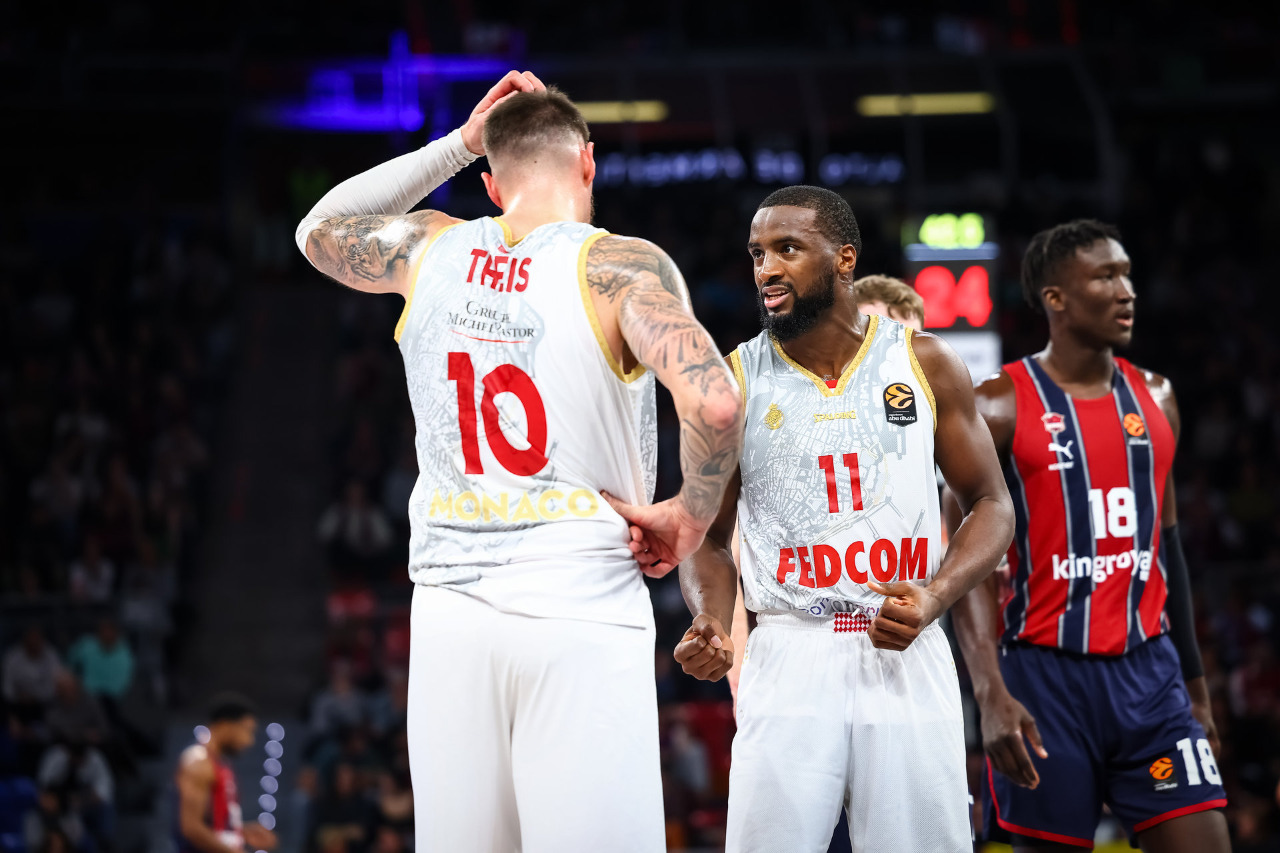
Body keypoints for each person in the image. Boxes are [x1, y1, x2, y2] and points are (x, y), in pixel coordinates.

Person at [295, 71, 742, 851]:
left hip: (449, 616)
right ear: (588, 162)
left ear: (492, 184)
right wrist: (688, 516)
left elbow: (318, 229)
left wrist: (456, 145)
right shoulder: (620, 267)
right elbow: (716, 403)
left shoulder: (429, 247)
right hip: (580, 600)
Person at [622, 185, 1014, 852]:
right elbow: (708, 536)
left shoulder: (924, 362)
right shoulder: (733, 381)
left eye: (787, 249)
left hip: (905, 645)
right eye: (757, 254)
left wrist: (936, 595)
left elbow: (992, 503)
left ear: (844, 258)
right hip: (790, 652)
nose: (767, 269)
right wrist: (711, 617)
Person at [946, 219, 1229, 851]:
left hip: (1151, 677)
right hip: (1043, 682)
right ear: (1057, 299)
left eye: (1127, 274)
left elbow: (1169, 552)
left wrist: (1197, 694)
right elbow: (961, 557)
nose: (1127, 291)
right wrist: (989, 694)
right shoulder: (996, 405)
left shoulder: (1158, 397)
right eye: (1106, 277)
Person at [175, 693, 276, 853]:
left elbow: (212, 826)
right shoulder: (198, 764)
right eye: (247, 730)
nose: (250, 741)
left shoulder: (219, 764)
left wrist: (242, 832)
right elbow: (191, 828)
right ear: (225, 725)